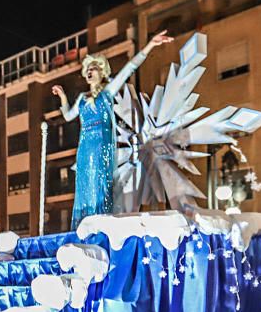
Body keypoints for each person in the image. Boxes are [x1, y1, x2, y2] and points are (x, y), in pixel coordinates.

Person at [53, 30, 173, 227]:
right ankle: (83, 225)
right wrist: (63, 97)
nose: (90, 72)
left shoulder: (107, 93)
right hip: (85, 149)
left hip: (101, 147)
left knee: (100, 185)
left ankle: (100, 225)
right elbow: (68, 116)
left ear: (102, 72)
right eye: (88, 69)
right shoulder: (82, 99)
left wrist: (150, 44)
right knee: (85, 185)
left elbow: (130, 68)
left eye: (94, 68)